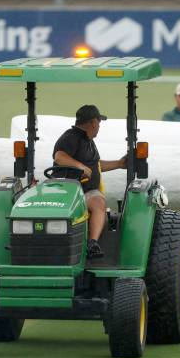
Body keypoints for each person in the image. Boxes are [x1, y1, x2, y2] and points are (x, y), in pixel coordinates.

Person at [52, 105, 126, 258]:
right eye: (99, 122)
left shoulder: (88, 141)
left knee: (98, 202)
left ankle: (92, 243)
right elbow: (59, 156)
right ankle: (92, 242)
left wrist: (119, 164)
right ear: (93, 122)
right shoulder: (71, 137)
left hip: (85, 192)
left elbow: (96, 166)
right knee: (98, 203)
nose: (99, 127)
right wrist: (79, 166)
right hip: (70, 192)